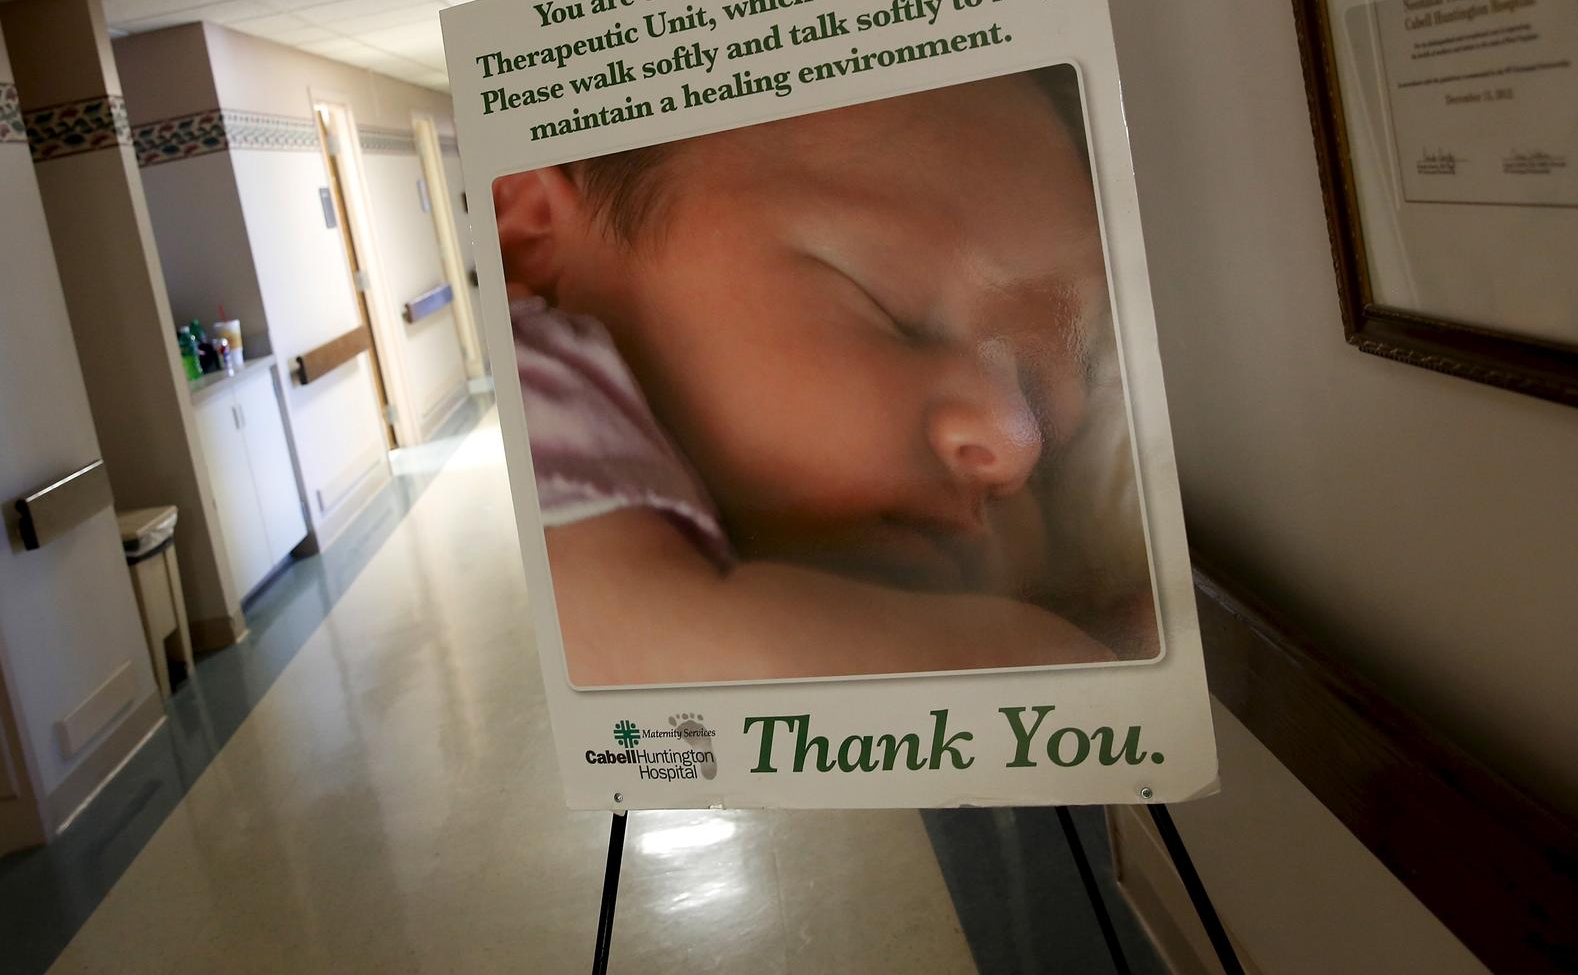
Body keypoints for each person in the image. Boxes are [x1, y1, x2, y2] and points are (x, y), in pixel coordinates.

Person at [494, 67, 1155, 687]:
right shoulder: (541, 370)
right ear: (534, 236)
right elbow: (636, 637)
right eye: (897, 312)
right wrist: (1064, 663)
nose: (1017, 447)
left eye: (1043, 395)